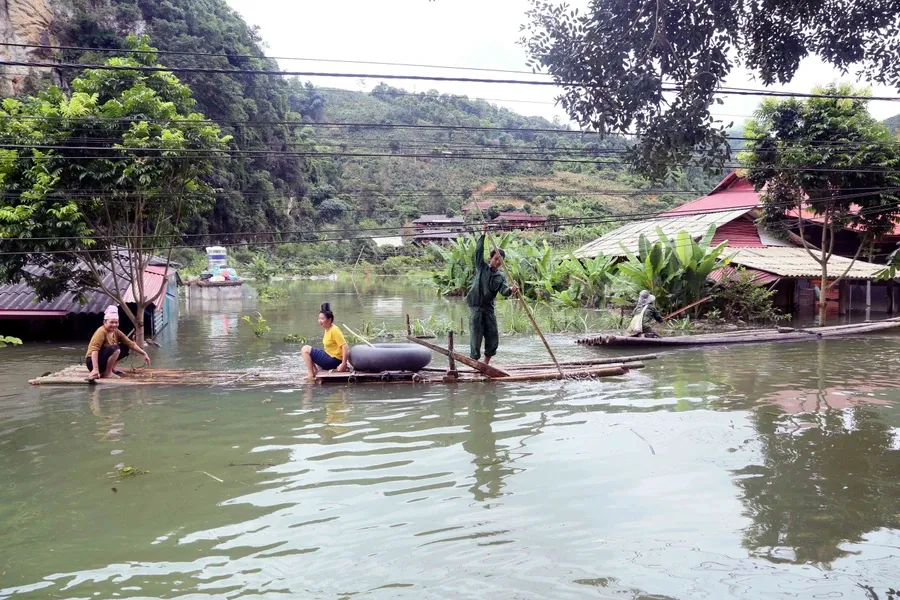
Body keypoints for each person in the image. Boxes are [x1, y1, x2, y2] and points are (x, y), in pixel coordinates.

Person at [465, 230, 519, 365]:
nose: (497, 262)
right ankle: (475, 365)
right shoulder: (481, 267)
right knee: (475, 338)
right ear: (490, 258)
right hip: (476, 308)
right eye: (495, 259)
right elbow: (478, 251)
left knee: (492, 336)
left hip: (489, 310)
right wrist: (483, 234)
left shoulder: (500, 277)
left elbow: (504, 291)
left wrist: (512, 290)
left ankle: (486, 364)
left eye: (500, 260)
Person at [85, 305, 151, 379]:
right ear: (105, 322)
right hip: (91, 362)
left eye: (116, 322)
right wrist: (95, 369)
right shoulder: (101, 331)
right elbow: (94, 350)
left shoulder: (116, 332)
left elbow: (131, 343)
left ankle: (111, 369)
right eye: (111, 322)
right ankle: (108, 373)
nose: (114, 325)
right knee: (115, 348)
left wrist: (144, 353)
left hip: (102, 361)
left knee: (125, 347)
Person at [301, 303, 350, 381]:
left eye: (322, 318)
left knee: (305, 349)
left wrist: (343, 364)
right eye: (319, 318)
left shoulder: (334, 330)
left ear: (329, 320)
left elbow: (345, 346)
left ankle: (311, 375)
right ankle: (314, 371)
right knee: (311, 351)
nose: (320, 321)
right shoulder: (327, 329)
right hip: (330, 357)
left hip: (334, 361)